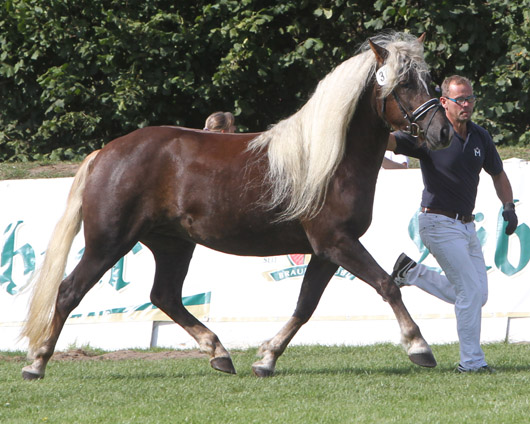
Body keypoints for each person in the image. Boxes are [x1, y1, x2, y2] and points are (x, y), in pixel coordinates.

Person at [387, 75, 518, 373]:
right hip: (437, 222)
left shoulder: (480, 136)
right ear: (443, 101)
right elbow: (390, 141)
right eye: (460, 99)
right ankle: (471, 363)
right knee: (470, 293)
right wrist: (370, 125)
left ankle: (411, 272)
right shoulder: (429, 135)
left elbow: (498, 174)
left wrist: (508, 206)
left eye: (470, 98)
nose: (467, 104)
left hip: (467, 227)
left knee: (477, 295)